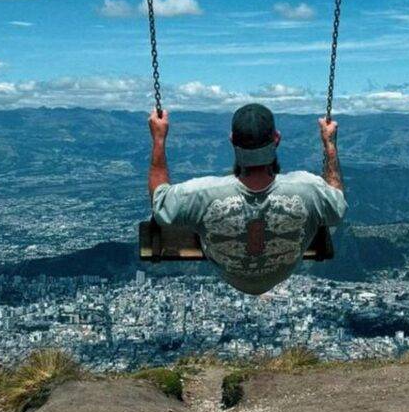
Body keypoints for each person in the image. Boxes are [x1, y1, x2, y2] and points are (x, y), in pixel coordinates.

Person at [147, 103, 347, 295]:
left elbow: (160, 202)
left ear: (232, 140)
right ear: (277, 139)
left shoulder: (202, 193)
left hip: (231, 274)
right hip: (279, 273)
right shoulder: (307, 188)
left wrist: (159, 139)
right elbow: (337, 207)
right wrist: (329, 144)